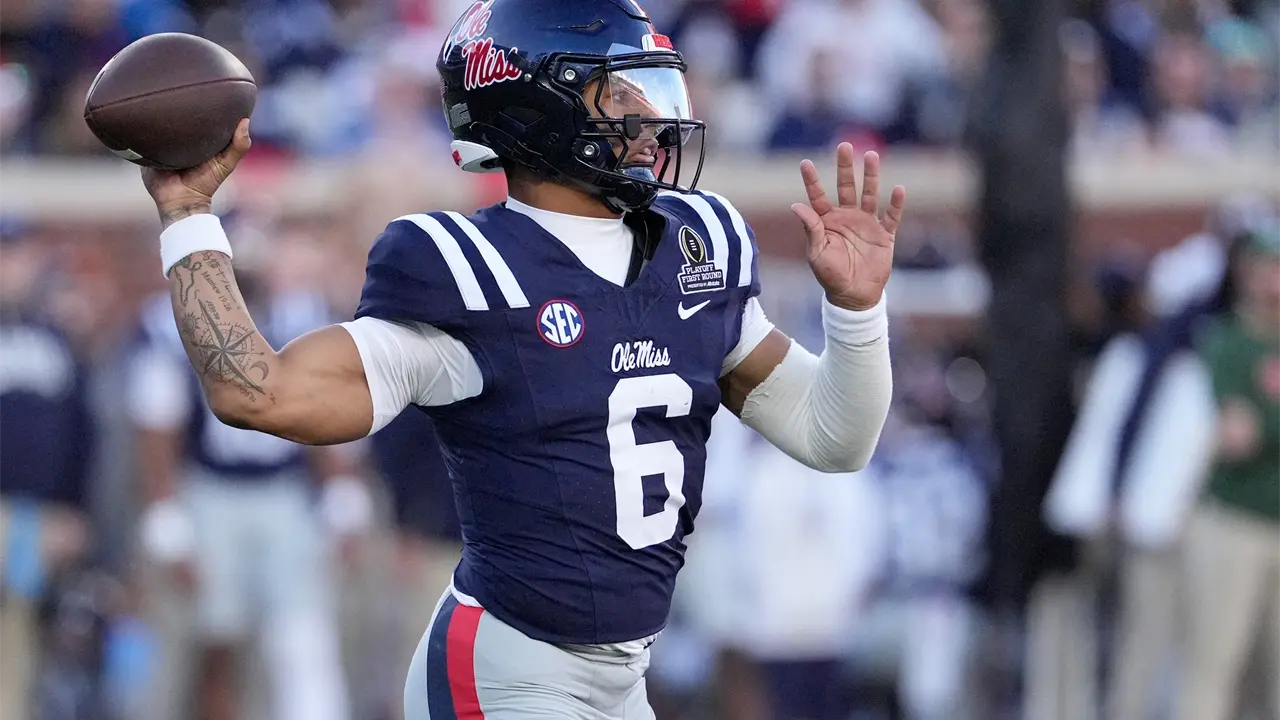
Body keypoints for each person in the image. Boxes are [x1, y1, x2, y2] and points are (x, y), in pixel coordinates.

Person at [130, 0, 901, 716]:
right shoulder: (466, 269)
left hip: (622, 678)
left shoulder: (695, 246)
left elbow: (833, 438)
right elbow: (256, 392)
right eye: (618, 92)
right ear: (537, 105)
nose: (650, 117)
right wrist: (189, 214)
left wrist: (857, 312)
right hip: (507, 669)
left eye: (650, 88)